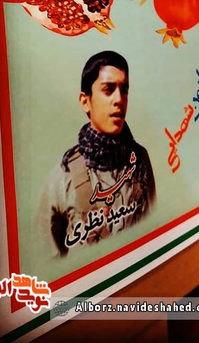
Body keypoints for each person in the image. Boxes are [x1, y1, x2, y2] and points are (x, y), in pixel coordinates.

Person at [40, 50, 156, 257]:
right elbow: (50, 259)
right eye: (108, 89)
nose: (119, 99)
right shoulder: (63, 175)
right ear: (85, 101)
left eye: (124, 90)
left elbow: (152, 227)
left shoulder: (139, 160)